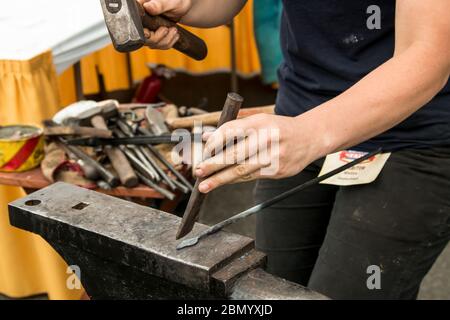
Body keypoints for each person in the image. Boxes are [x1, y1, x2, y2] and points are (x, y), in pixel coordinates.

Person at [137, 0, 450, 299]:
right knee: (267, 286)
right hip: (299, 112)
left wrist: (310, 133)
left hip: (412, 135)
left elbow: (427, 54)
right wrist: (188, 5)